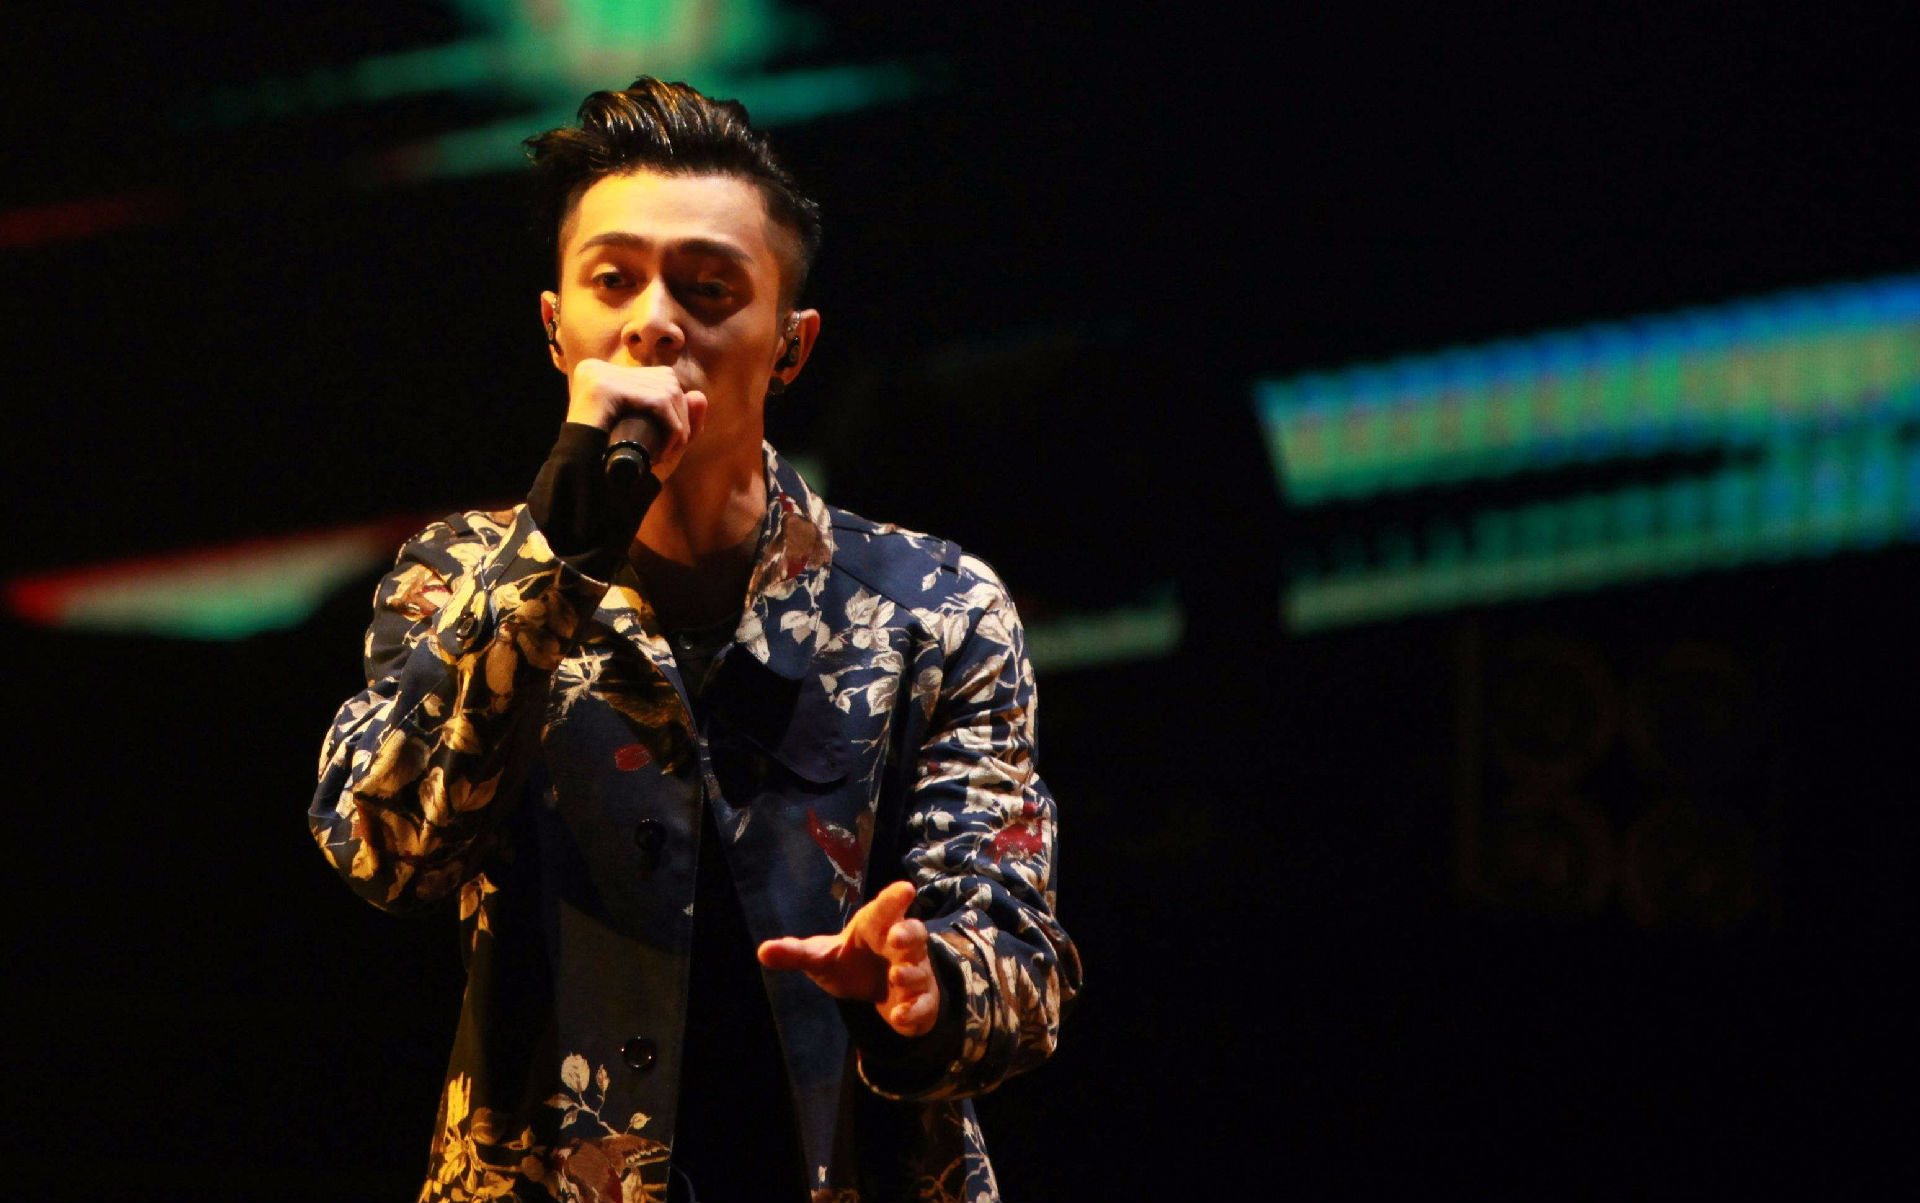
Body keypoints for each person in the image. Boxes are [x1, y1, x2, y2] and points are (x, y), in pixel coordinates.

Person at [308, 77, 1079, 1203]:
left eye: (709, 288)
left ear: (790, 347)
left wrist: (930, 986)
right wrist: (556, 548)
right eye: (613, 280)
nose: (655, 322)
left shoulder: (937, 607)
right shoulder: (455, 577)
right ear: (555, 327)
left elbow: (1021, 959)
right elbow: (383, 850)